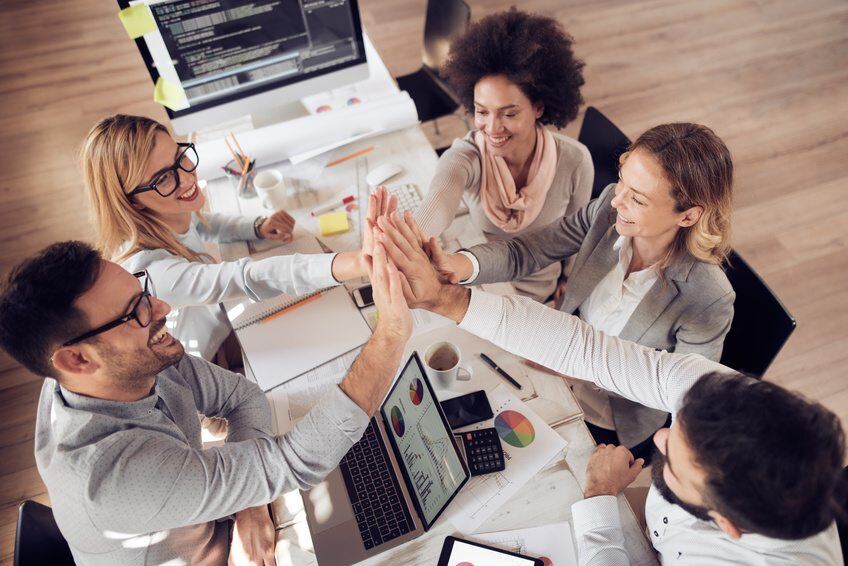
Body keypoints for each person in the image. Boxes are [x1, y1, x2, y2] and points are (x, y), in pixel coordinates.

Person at [374, 211, 845, 564]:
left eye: (676, 462)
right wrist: (448, 299)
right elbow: (587, 349)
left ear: (727, 524)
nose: (660, 437)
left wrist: (599, 498)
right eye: (675, 427)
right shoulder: (713, 393)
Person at [0, 238, 411, 565]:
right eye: (136, 312)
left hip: (218, 520)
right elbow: (293, 462)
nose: (160, 308)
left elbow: (243, 396)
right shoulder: (114, 477)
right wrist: (389, 338)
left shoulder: (122, 364)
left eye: (142, 289)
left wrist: (250, 504)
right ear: (76, 359)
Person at [424, 123, 736, 461]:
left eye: (638, 198)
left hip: (610, 418)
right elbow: (528, 251)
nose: (618, 200)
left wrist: (576, 366)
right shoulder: (609, 210)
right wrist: (458, 265)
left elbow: (689, 400)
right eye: (622, 181)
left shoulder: (708, 297)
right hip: (551, 364)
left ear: (688, 216)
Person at [82, 114, 393, 362]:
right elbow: (245, 277)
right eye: (163, 178)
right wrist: (353, 262)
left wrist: (255, 226)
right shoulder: (154, 276)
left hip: (218, 325)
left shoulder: (164, 215)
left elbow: (201, 225)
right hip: (200, 360)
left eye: (180, 157)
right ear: (132, 200)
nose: (187, 177)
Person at [414, 8, 593, 301]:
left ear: (539, 107)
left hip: (540, 299)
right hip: (478, 289)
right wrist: (408, 240)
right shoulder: (467, 156)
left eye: (508, 113)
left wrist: (568, 284)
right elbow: (440, 200)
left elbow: (576, 240)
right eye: (482, 112)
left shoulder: (575, 161)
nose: (492, 128)